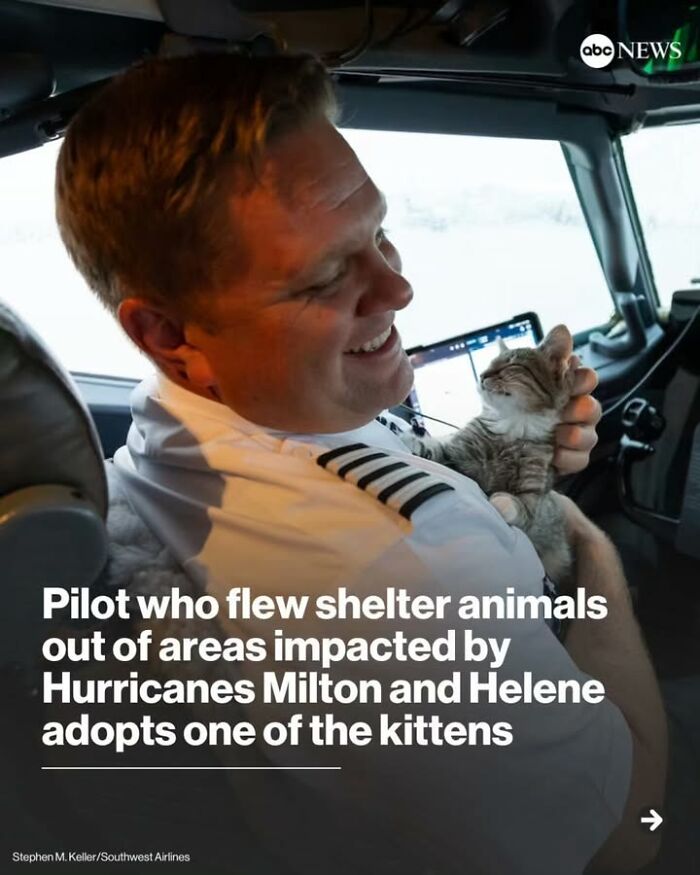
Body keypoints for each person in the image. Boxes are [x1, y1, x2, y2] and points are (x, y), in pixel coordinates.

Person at [55, 53, 666, 874]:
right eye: (323, 278)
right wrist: (596, 557)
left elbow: (366, 478)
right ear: (171, 334)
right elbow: (626, 837)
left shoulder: (175, 433)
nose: (398, 289)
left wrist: (505, 469)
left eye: (378, 233)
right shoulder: (400, 581)